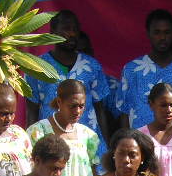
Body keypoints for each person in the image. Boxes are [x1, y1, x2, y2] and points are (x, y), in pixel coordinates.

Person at [24, 10, 111, 155]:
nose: (71, 33)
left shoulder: (91, 65)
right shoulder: (37, 66)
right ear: (52, 32)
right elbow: (32, 110)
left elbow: (100, 109)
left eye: (75, 29)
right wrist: (31, 147)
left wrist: (107, 147)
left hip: (87, 145)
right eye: (66, 29)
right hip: (51, 144)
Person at [117, 9, 172, 129]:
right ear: (148, 33)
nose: (162, 37)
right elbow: (124, 112)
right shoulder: (132, 70)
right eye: (157, 32)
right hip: (141, 142)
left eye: (167, 32)